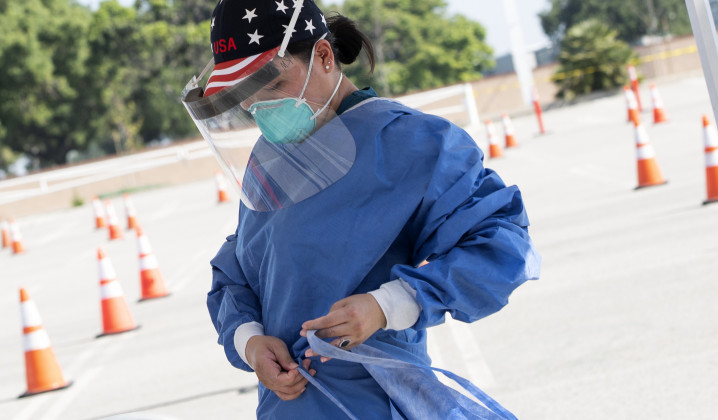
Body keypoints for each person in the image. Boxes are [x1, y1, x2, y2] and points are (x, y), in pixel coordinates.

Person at [182, 0, 541, 418]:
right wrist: (249, 341)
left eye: (273, 86)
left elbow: (502, 246)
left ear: (324, 55)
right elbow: (239, 268)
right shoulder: (273, 159)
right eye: (245, 97)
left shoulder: (415, 144)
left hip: (375, 401)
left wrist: (387, 305)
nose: (259, 108)